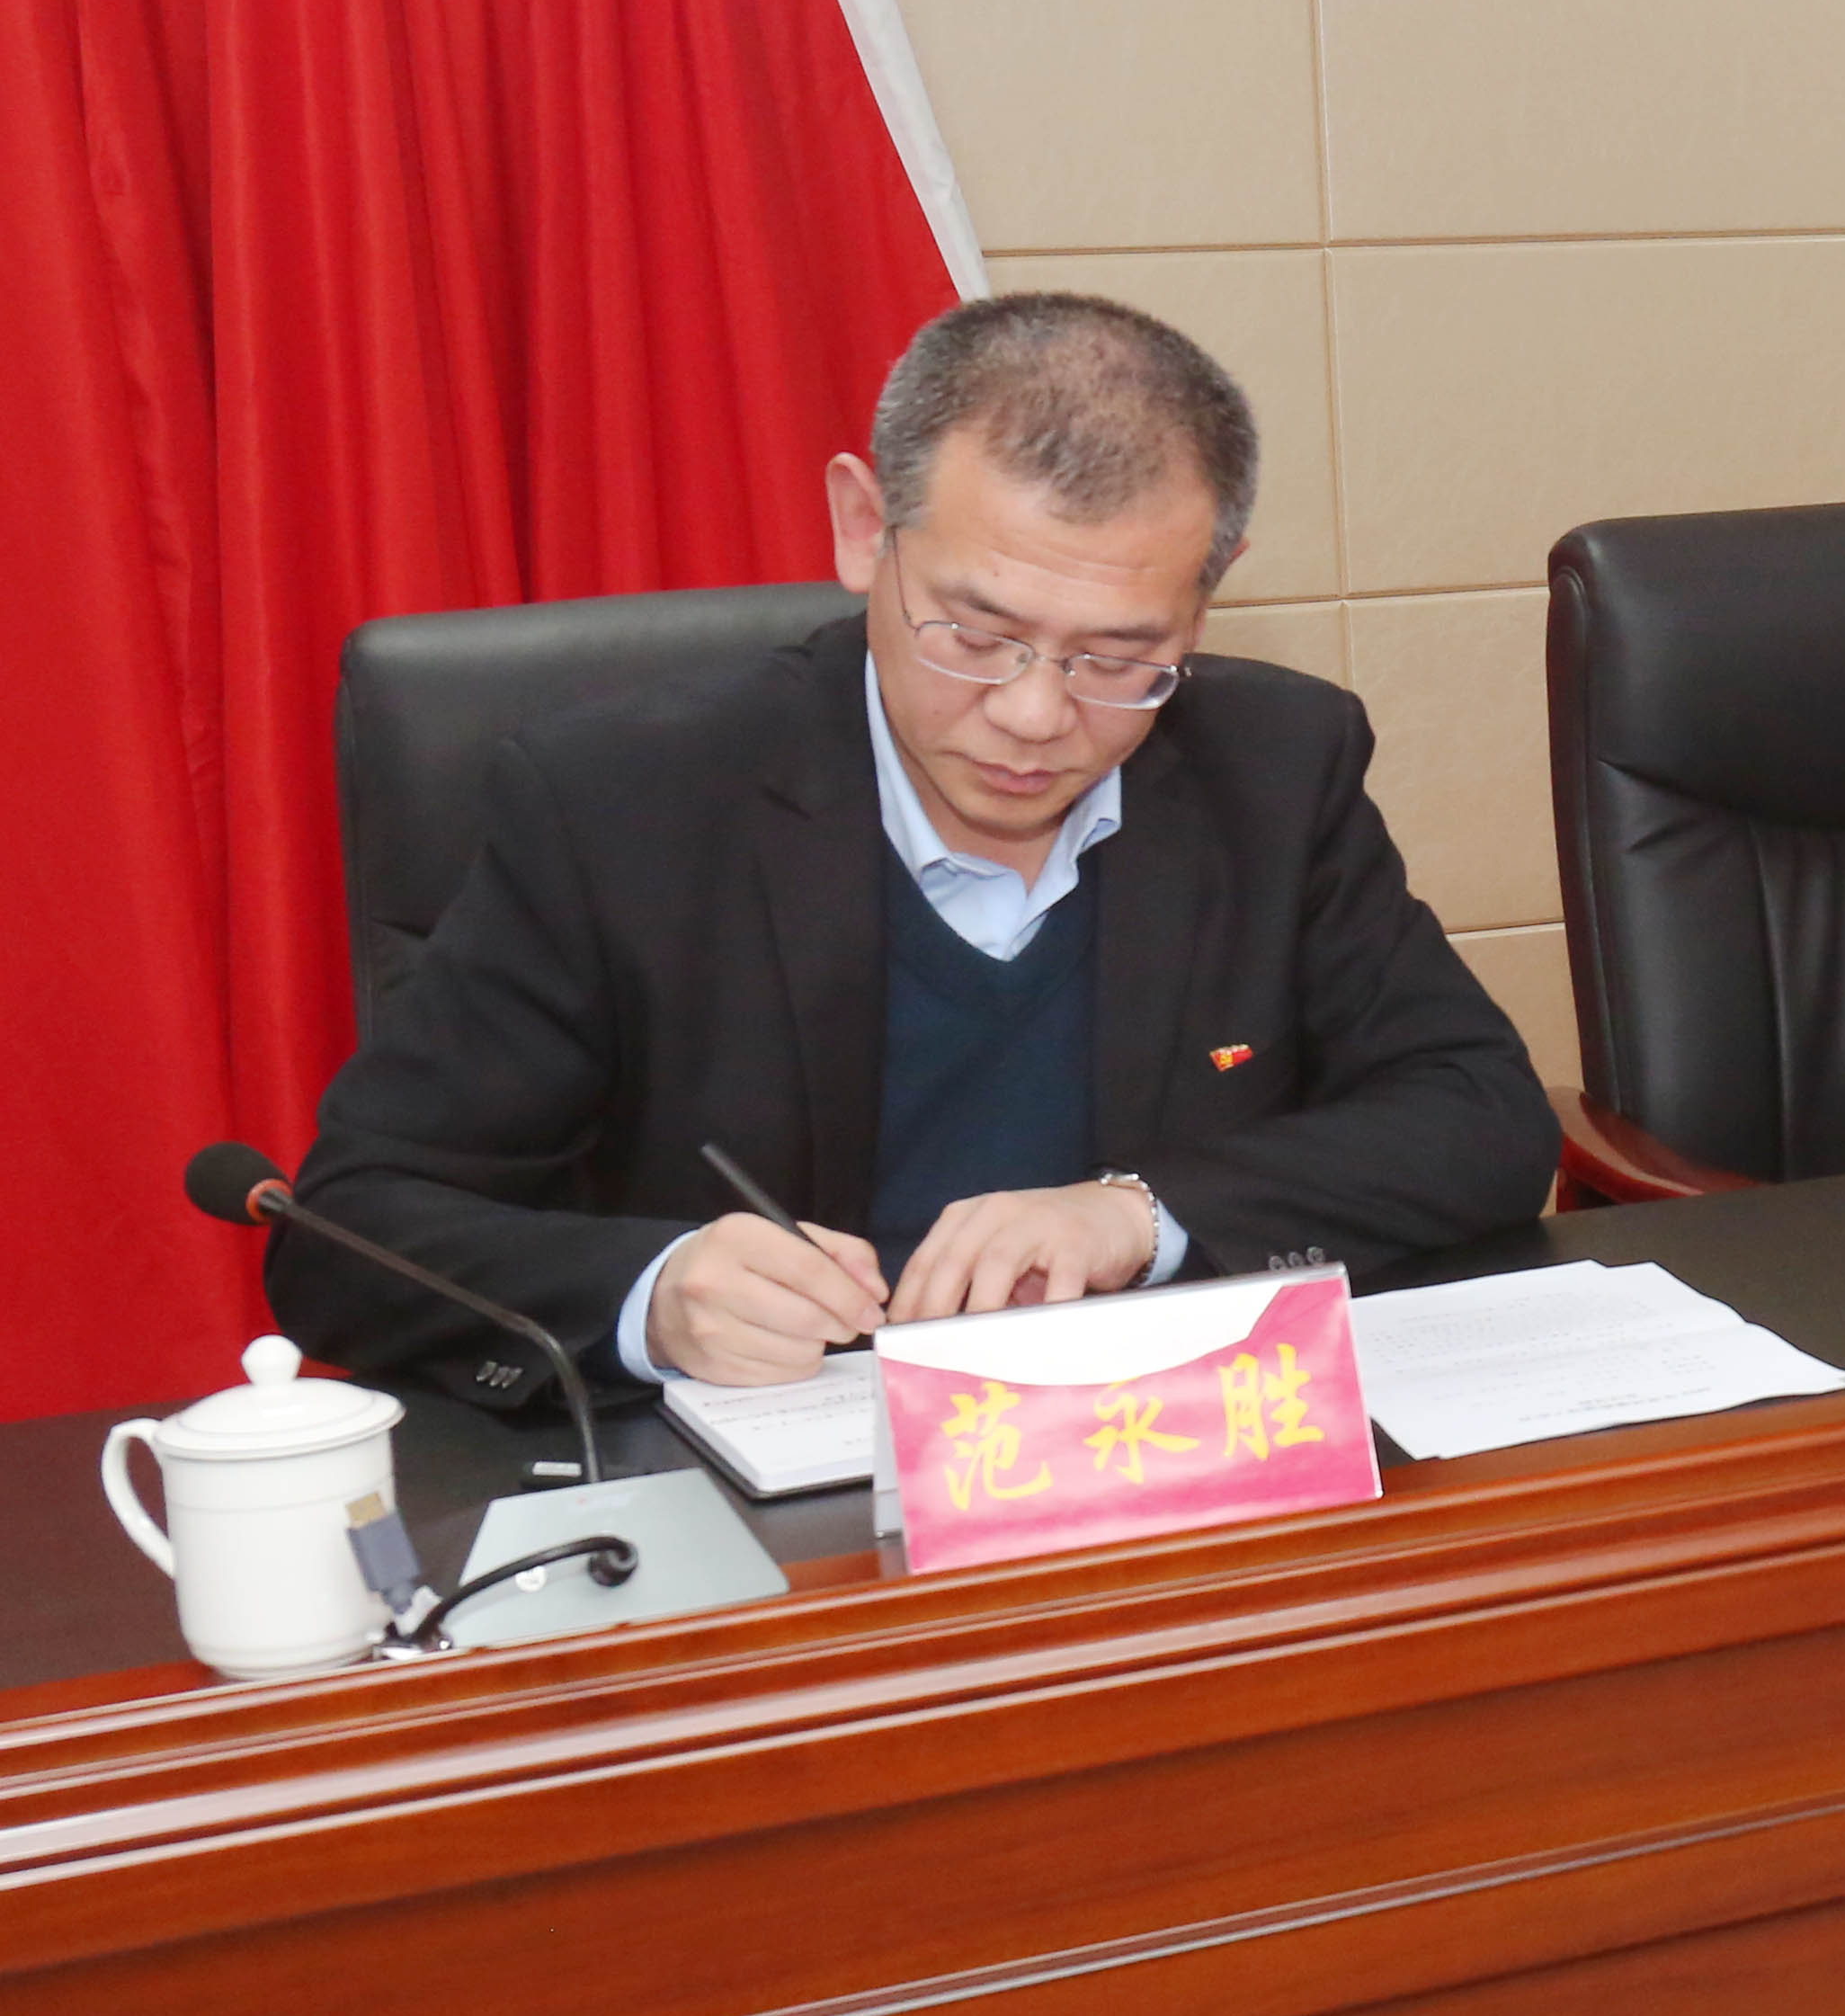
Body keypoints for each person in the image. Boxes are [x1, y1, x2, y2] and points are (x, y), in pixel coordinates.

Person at [272, 294, 1560, 1397]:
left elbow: (1481, 1115)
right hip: (791, 1495)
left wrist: (1139, 1214)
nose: (1036, 715)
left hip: (1160, 1459)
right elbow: (345, 1233)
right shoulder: (619, 805)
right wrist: (652, 1296)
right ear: (860, 528)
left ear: (1202, 600)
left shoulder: (1273, 767)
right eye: (977, 635)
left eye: (1120, 656)